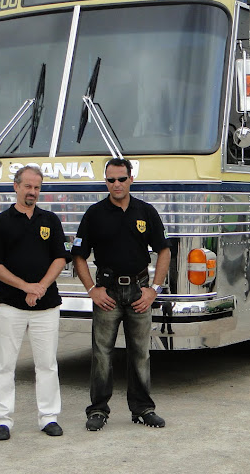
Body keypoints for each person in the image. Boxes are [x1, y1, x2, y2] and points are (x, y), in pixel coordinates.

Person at [72, 157, 170, 431]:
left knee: (140, 353)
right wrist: (92, 289)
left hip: (139, 292)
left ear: (131, 179)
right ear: (106, 182)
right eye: (111, 180)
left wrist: (155, 289)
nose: (116, 184)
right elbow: (78, 255)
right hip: (108, 294)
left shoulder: (146, 212)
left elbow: (164, 250)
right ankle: (98, 410)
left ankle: (143, 409)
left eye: (121, 179)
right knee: (102, 354)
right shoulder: (94, 214)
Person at [0, 165, 71, 440]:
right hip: (9, 306)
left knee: (47, 365)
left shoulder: (50, 220)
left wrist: (41, 287)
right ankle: (2, 420)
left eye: (37, 187)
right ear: (16, 187)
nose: (32, 192)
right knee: (4, 365)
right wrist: (25, 287)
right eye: (28, 186)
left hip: (47, 307)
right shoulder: (0, 222)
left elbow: (60, 258)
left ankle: (48, 417)